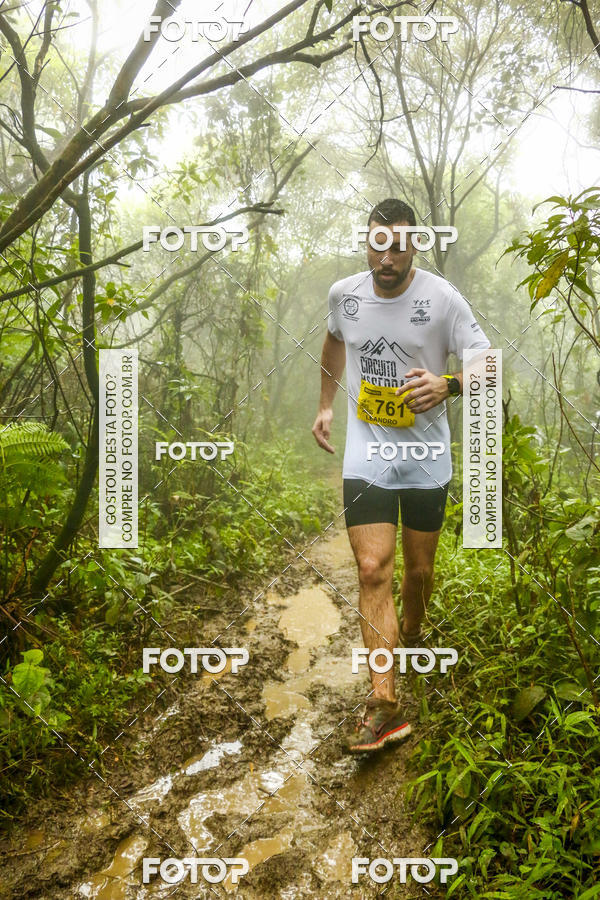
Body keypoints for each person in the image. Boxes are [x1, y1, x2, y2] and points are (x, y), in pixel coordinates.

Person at [311, 198, 490, 752]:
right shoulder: (346, 295)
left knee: (418, 574)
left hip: (427, 457)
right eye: (378, 243)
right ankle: (384, 702)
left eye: (399, 244)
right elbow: (337, 340)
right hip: (367, 451)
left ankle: (411, 634)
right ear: (367, 242)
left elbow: (489, 362)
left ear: (415, 243)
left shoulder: (443, 300)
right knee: (371, 569)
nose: (387, 256)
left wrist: (449, 384)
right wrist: (325, 405)